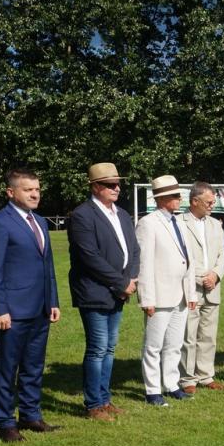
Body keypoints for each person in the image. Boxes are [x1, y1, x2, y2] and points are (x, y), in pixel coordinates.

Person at [0, 168, 61, 442]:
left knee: (34, 366)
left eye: (37, 189)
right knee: (7, 368)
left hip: (40, 309)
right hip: (13, 311)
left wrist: (53, 300)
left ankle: (30, 415)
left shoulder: (40, 221)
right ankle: (5, 422)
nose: (35, 194)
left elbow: (47, 266)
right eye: (28, 190)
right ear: (10, 192)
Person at [68, 163, 140, 421]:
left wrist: (131, 278)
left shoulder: (122, 214)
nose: (116, 188)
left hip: (119, 290)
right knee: (98, 348)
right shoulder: (82, 215)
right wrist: (121, 283)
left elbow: (134, 250)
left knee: (109, 348)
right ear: (95, 187)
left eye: (117, 183)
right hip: (94, 291)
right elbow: (90, 257)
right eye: (110, 184)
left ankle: (104, 399)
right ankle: (93, 404)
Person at [136, 175, 197, 406]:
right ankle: (152, 390)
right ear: (161, 199)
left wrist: (191, 293)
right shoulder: (148, 223)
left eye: (179, 194)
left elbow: (188, 260)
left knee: (174, 344)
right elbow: (144, 264)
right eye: (174, 195)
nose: (179, 199)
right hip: (159, 296)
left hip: (180, 295)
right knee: (153, 346)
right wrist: (147, 298)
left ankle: (171, 384)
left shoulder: (179, 222)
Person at [178, 182, 224, 393]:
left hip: (212, 287)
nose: (212, 205)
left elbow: (222, 255)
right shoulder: (179, 223)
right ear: (194, 201)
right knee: (188, 335)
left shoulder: (216, 224)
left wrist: (215, 275)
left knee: (208, 335)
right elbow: (180, 257)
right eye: (208, 202)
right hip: (191, 287)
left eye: (213, 201)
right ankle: (187, 378)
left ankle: (206, 376)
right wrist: (200, 277)